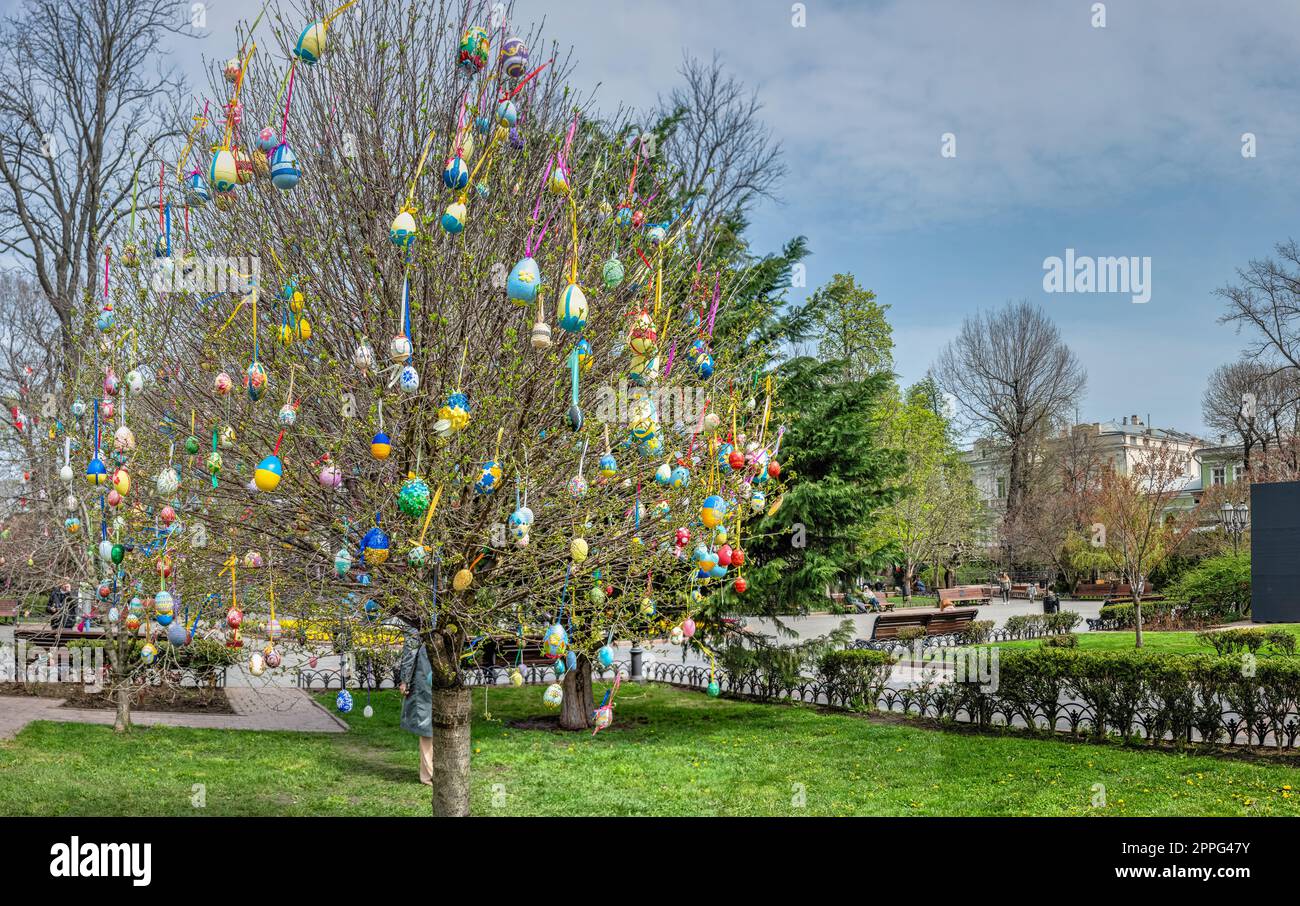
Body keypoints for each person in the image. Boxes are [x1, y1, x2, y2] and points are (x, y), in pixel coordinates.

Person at [395, 622, 434, 786]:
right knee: (429, 726)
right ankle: (429, 773)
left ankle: (430, 773)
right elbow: (410, 652)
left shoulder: (415, 620)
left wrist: (405, 680)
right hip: (429, 676)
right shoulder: (422, 619)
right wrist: (405, 679)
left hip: (426, 676)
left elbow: (410, 652)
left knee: (428, 726)